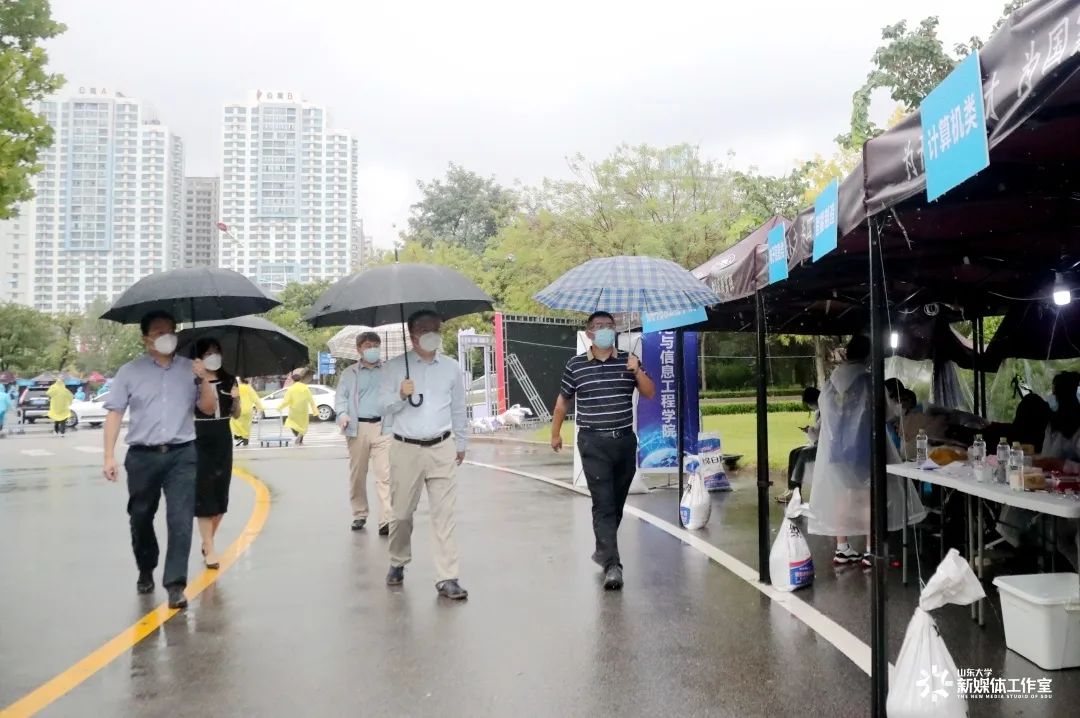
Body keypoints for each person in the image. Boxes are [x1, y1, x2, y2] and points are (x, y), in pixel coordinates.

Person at [103, 310, 217, 609]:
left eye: (171, 330)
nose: (167, 336)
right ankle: (145, 567)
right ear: (146, 339)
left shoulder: (190, 369)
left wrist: (204, 379)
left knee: (180, 519)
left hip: (182, 454)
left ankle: (175, 584)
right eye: (159, 331)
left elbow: (207, 408)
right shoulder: (130, 372)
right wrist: (108, 456)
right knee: (141, 516)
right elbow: (115, 412)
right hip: (142, 456)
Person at [551, 311, 656, 591]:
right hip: (593, 443)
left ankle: (603, 550)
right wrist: (555, 433)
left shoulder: (629, 360)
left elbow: (650, 392)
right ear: (589, 333)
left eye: (610, 325)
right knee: (604, 503)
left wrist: (637, 370)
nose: (606, 329)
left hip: (624, 442)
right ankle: (612, 565)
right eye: (599, 326)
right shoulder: (575, 365)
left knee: (616, 503)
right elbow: (562, 402)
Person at [808, 335, 926, 567]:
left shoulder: (832, 382)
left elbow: (826, 412)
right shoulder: (868, 380)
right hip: (864, 449)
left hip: (836, 451)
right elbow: (888, 413)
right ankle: (871, 549)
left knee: (843, 496)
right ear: (868, 354)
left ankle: (842, 548)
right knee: (868, 499)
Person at [379, 310, 469, 600]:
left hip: (442, 446)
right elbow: (383, 407)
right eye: (425, 329)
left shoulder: (451, 367)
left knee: (444, 514)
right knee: (402, 514)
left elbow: (458, 407)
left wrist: (461, 442)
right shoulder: (394, 367)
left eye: (436, 329)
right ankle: (398, 560)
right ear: (412, 334)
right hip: (406, 448)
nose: (432, 334)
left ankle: (447, 577)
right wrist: (400, 395)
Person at [192, 338, 241, 570]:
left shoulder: (229, 379)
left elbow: (236, 414)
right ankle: (210, 548)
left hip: (223, 438)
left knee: (221, 498)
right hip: (199, 438)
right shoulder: (191, 381)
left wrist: (236, 398)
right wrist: (200, 378)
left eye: (217, 352)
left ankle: (207, 541)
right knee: (204, 495)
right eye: (208, 352)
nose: (214, 356)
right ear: (200, 357)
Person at [336, 331, 392, 534]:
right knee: (358, 474)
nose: (372, 349)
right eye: (368, 345)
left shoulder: (389, 370)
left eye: (376, 345)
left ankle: (386, 519)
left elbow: (396, 395)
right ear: (359, 349)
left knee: (385, 475)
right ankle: (359, 513)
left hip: (383, 427)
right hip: (357, 427)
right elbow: (341, 398)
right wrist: (342, 414)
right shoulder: (349, 373)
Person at [777, 387, 820, 504]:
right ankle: (792, 489)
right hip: (817, 443)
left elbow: (820, 432)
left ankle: (795, 492)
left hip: (823, 446)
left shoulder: (824, 412)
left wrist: (809, 430)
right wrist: (810, 430)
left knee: (802, 454)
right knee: (794, 452)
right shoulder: (819, 412)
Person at [281, 370, 317, 445]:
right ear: (300, 380)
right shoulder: (305, 388)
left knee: (291, 423)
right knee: (303, 425)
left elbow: (286, 401)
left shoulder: (291, 389)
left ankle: (297, 435)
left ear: (293, 380)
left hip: (294, 410)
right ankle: (300, 439)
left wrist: (279, 407)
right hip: (303, 410)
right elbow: (310, 399)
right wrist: (315, 410)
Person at [230, 378, 263, 447]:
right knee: (247, 425)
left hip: (238, 409)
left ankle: (238, 435)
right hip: (248, 410)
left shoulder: (236, 387)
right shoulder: (249, 388)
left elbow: (232, 397)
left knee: (234, 422)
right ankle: (245, 438)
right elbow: (255, 398)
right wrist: (260, 408)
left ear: (240, 380)